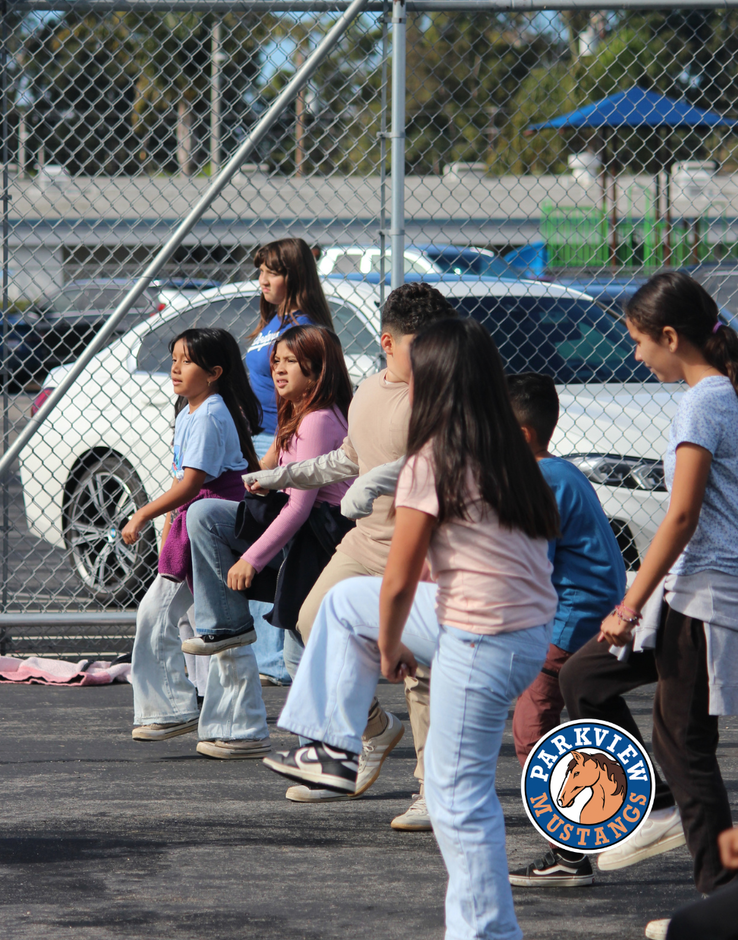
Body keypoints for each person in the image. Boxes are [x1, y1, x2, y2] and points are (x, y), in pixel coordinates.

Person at [264, 317, 560, 940]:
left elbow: (400, 578)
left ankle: (485, 933)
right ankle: (328, 750)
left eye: (419, 373)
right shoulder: (507, 445)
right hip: (514, 627)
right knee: (344, 605)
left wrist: (394, 644)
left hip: (480, 635)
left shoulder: (435, 456)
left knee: (459, 795)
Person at [244, 282, 456, 819]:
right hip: (364, 545)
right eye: (422, 344)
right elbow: (347, 459)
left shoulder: (444, 395)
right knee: (314, 622)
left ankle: (433, 790)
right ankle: (372, 734)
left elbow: (444, 470)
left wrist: (381, 479)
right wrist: (281, 476)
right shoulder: (366, 393)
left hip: (425, 554)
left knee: (420, 672)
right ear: (388, 342)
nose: (436, 355)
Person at [595, 272, 738, 929]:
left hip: (704, 589)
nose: (633, 355)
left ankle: (717, 903)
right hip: (689, 588)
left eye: (636, 342)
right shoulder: (712, 395)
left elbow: (678, 516)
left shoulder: (702, 402)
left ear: (670, 337)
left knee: (683, 741)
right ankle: (652, 810)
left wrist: (629, 603)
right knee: (583, 679)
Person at [180, 324, 353, 759]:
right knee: (206, 514)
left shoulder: (317, 421)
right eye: (276, 360)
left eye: (291, 362)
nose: (278, 369)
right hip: (300, 530)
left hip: (321, 539)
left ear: (317, 372)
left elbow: (299, 506)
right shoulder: (296, 414)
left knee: (300, 649)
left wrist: (252, 560)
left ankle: (326, 752)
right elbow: (263, 473)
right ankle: (227, 626)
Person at [502, 372, 631, 886]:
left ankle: (569, 852)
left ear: (524, 436)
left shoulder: (540, 481)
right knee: (582, 716)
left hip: (569, 616)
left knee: (532, 726)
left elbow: (530, 569)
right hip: (588, 610)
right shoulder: (561, 472)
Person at [121, 327, 261, 741]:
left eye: (187, 360)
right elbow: (185, 488)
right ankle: (179, 711)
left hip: (214, 525)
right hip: (194, 522)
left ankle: (194, 715)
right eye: (174, 358)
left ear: (215, 372)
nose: (175, 368)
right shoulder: (190, 411)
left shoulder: (212, 413)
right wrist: (168, 534)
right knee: (183, 617)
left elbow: (191, 485)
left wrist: (140, 515)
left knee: (215, 623)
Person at [244, 237, 335, 686]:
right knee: (260, 534)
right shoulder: (273, 321)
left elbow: (294, 401)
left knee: (275, 542)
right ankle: (271, 656)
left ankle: (276, 660)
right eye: (260, 270)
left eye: (272, 271)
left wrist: (272, 452)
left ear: (294, 276)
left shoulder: (302, 325)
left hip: (282, 441)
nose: (262, 279)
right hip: (271, 440)